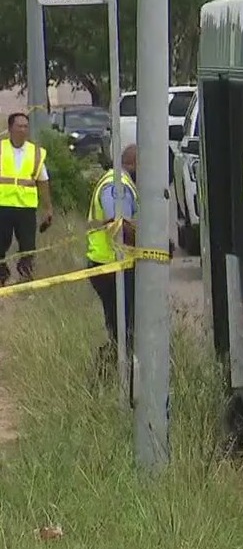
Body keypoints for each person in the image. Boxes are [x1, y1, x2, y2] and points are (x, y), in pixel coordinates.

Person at [86, 145, 138, 380]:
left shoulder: (116, 180)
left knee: (121, 327)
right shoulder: (118, 186)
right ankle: (107, 377)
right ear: (135, 163)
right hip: (111, 266)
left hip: (109, 264)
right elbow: (116, 223)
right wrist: (149, 245)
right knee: (124, 329)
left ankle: (112, 375)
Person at [0, 113, 54, 285]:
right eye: (19, 126)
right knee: (1, 245)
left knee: (28, 247)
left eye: (25, 126)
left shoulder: (35, 153)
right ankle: (2, 277)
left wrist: (48, 208)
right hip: (3, 206)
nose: (23, 130)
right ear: (10, 129)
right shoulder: (1, 149)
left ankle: (25, 278)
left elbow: (43, 181)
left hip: (26, 208)